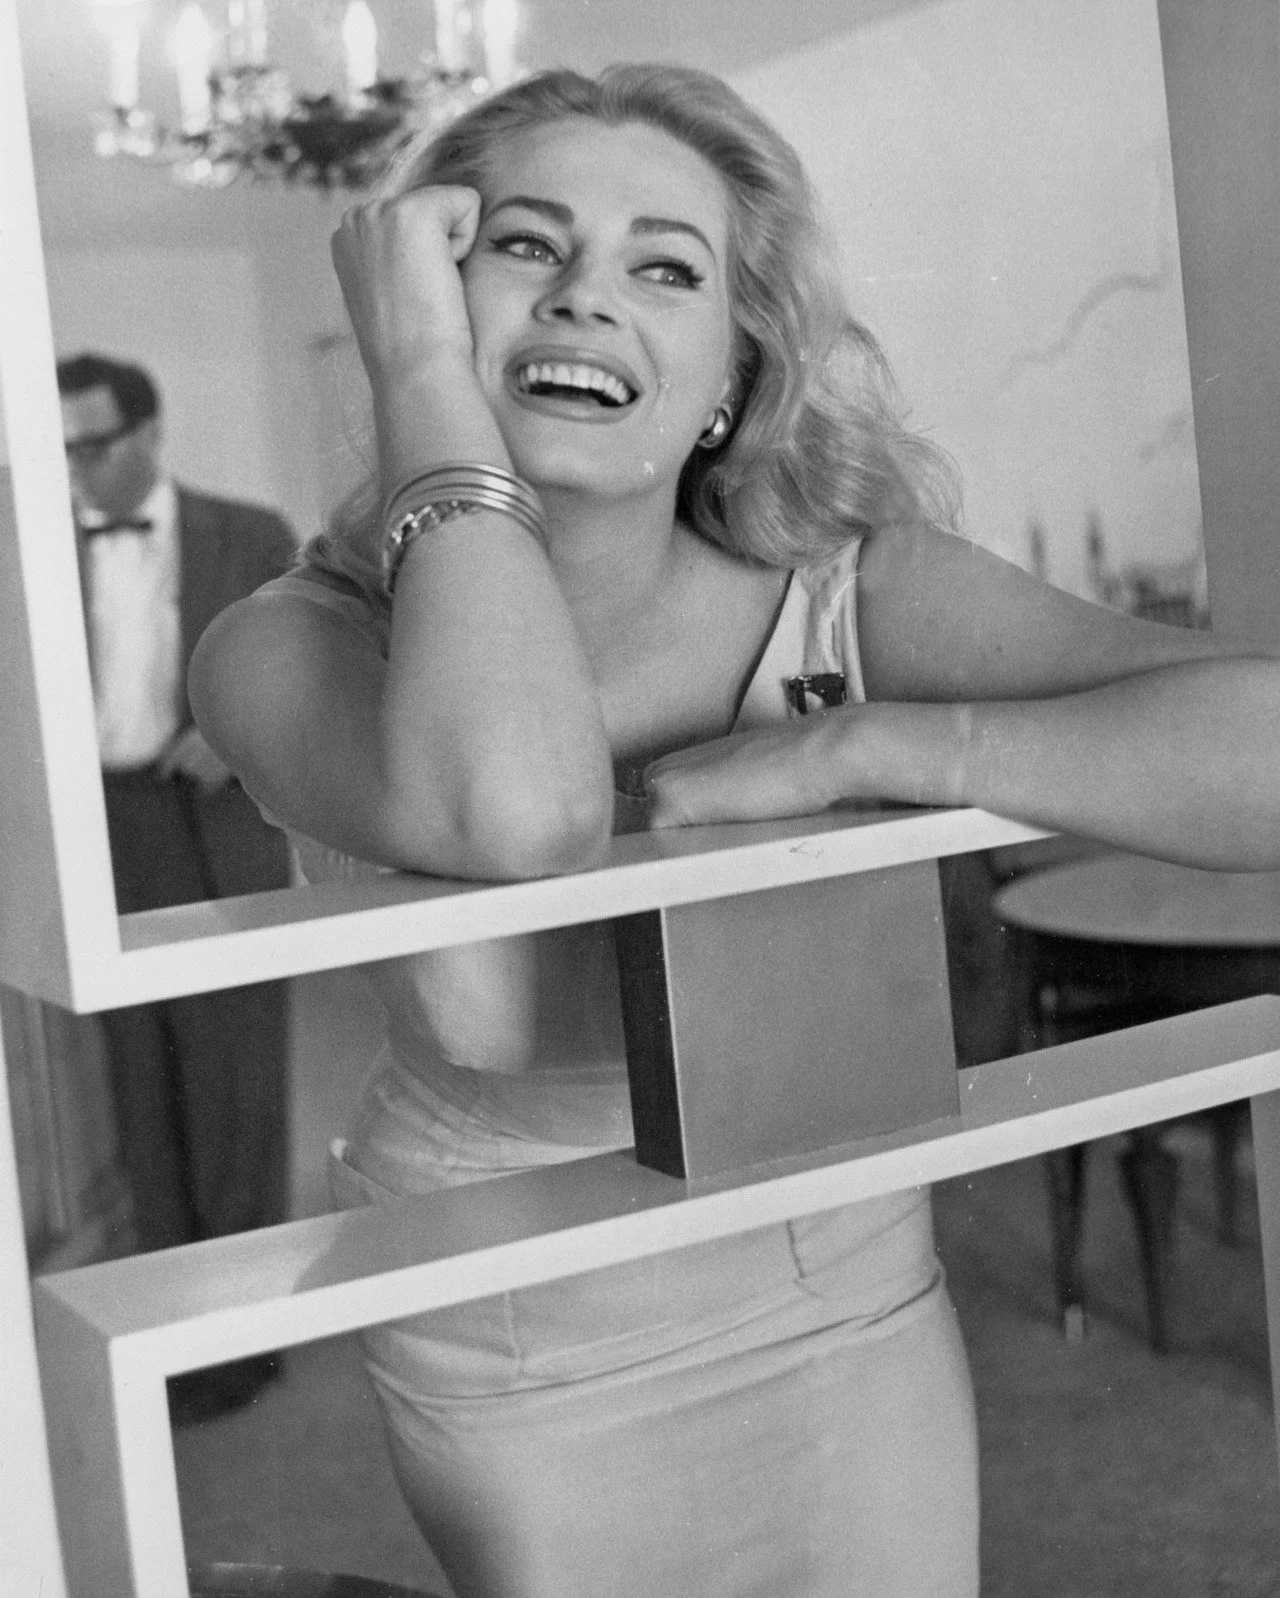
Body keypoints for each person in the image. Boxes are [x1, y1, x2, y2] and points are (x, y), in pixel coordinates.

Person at [189, 65, 1280, 1596]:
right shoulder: (286, 642)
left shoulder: (849, 595)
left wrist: (876, 739)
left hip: (832, 1267)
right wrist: (425, 375)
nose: (585, 296)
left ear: (730, 373)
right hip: (518, 1309)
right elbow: (522, 808)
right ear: (421, 296)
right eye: (523, 246)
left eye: (664, 268)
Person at [58, 352, 296, 1423]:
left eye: (94, 445)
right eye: (60, 449)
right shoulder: (30, 546)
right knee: (135, 1085)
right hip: (92, 830)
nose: (76, 469)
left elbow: (310, 673)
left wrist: (234, 736)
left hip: (211, 818)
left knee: (232, 1078)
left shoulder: (247, 534)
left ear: (151, 435)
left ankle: (242, 1339)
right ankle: (171, 1334)